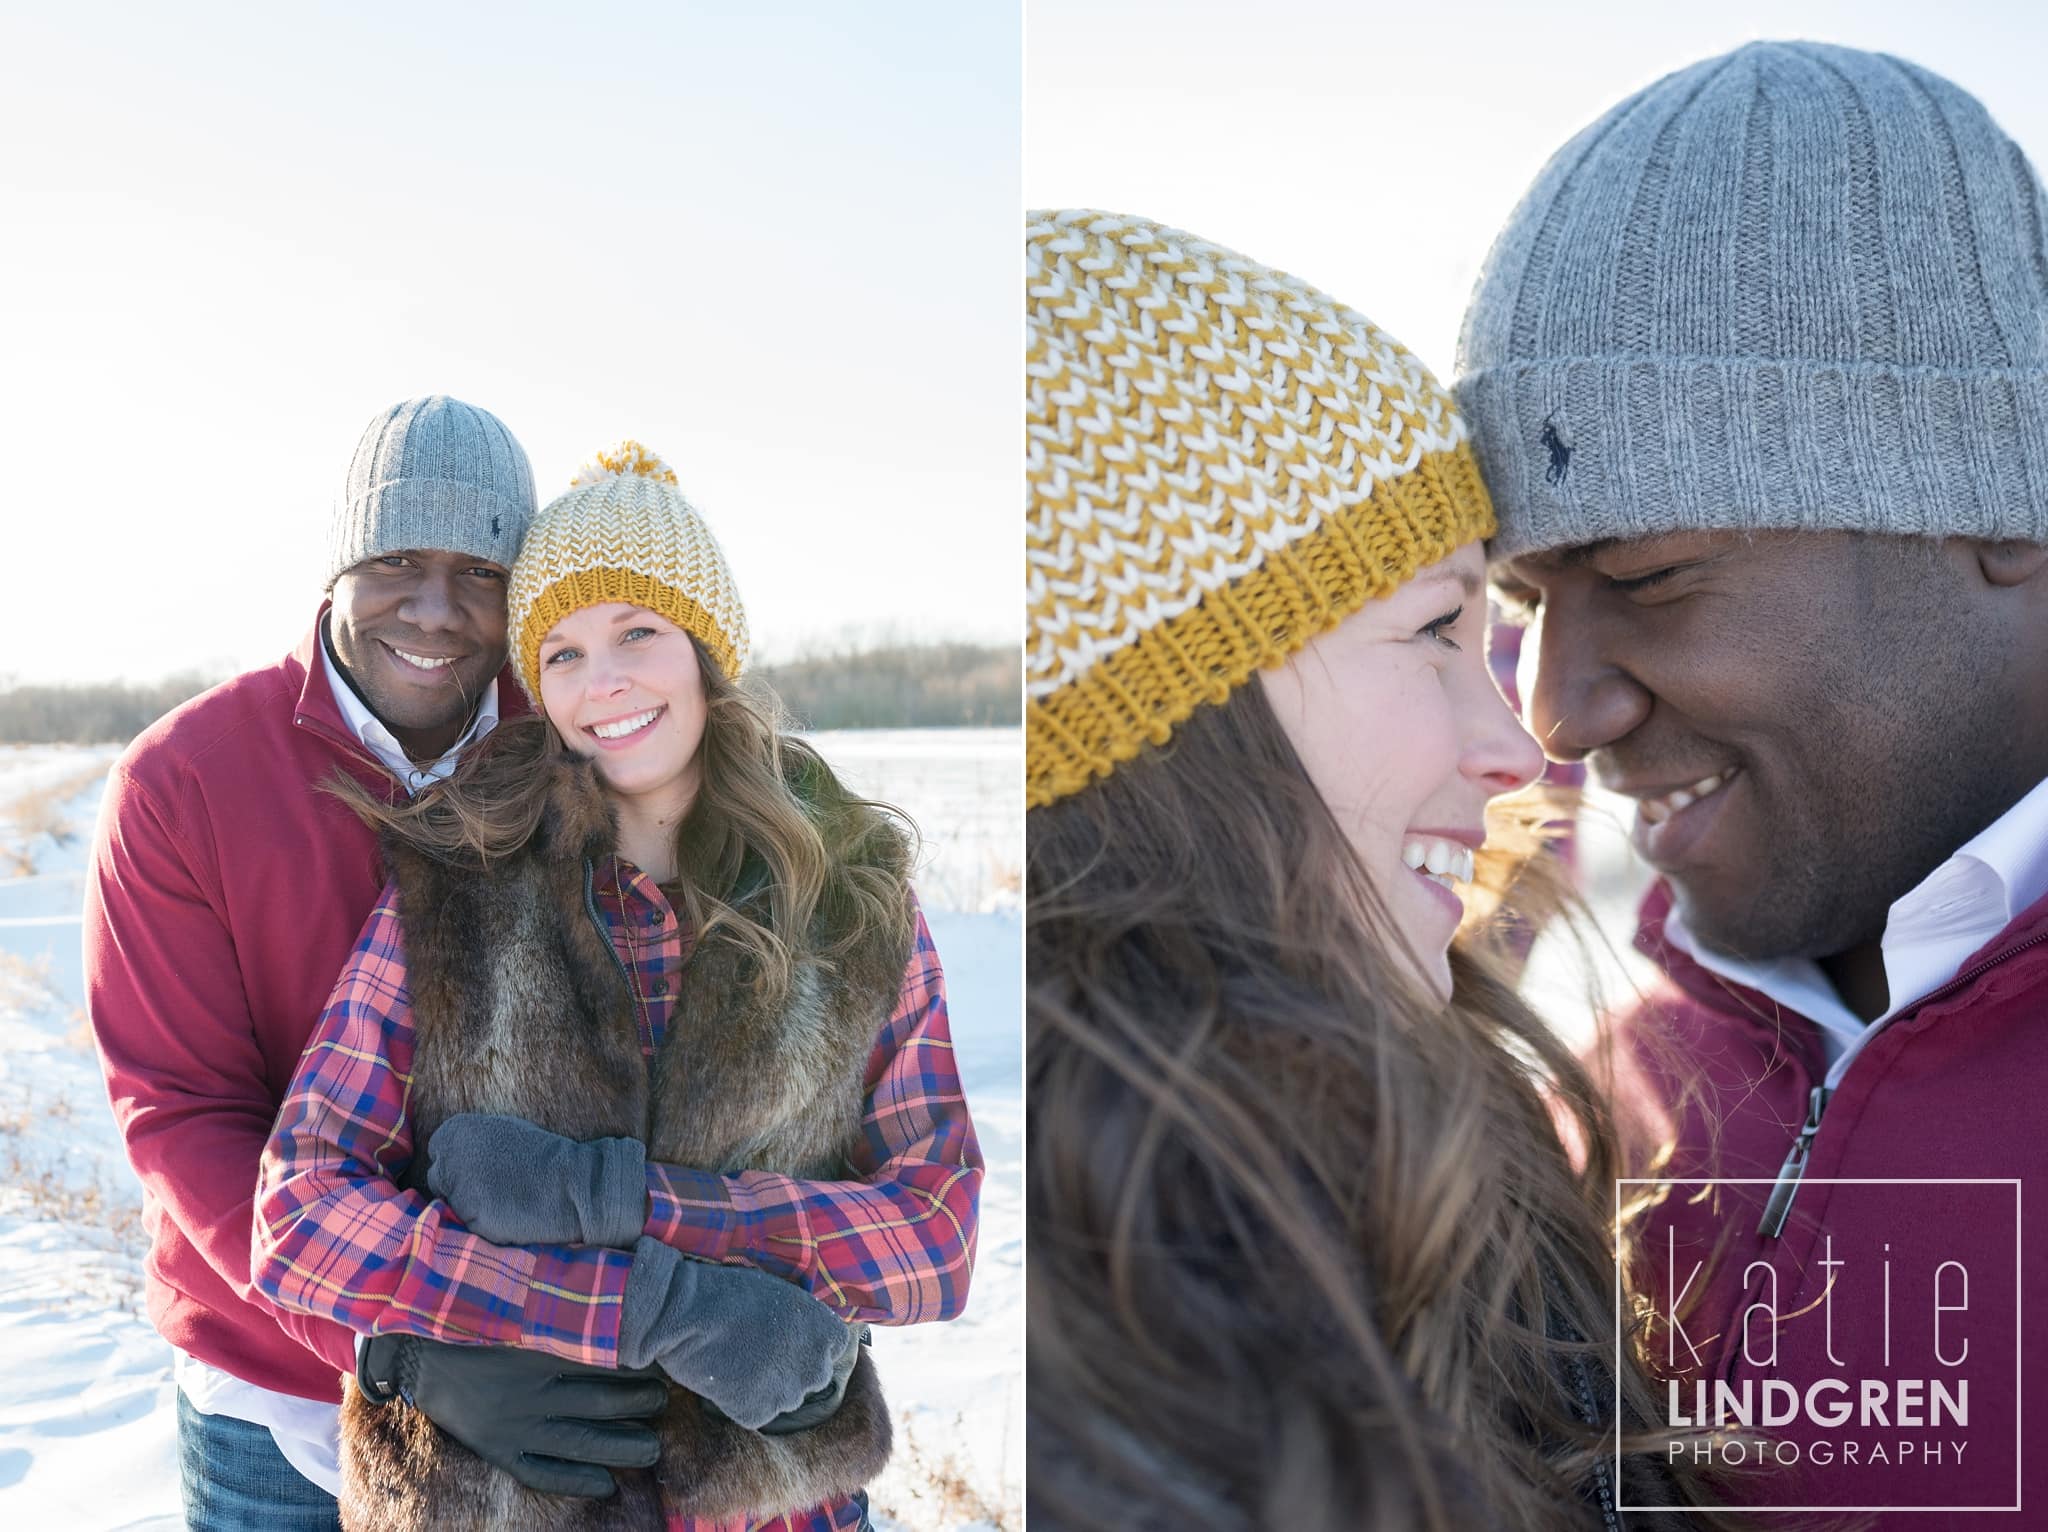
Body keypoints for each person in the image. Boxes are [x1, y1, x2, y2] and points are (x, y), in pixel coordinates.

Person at [1024, 212, 1743, 1531]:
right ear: (1166, 703)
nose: (1516, 749)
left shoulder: (1427, 1173)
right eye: (1434, 632)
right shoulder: (1120, 1364)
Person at [1456, 41, 2048, 1521]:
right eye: (1523, 606)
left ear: (2002, 516)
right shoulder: (1609, 1099)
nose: (1556, 711)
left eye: (1649, 575)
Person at [253, 441, 982, 1531]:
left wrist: (621, 1204)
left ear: (704, 647)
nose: (604, 686)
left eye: (636, 632)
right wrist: (645, 1308)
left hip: (776, 1511)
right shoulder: (456, 889)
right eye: (561, 652)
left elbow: (937, 1233)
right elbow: (297, 1212)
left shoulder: (852, 902)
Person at [83, 396, 664, 1528]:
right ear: (338, 564)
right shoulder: (184, 781)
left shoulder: (572, 750)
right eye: (397, 559)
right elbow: (185, 1110)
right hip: (277, 1399)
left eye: (479, 571)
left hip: (530, 1382)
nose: (436, 610)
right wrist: (384, 1342)